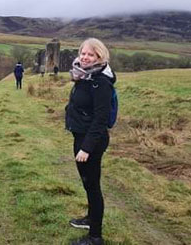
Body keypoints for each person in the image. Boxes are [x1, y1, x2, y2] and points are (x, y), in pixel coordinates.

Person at [65, 38, 116, 245]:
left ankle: (95, 237)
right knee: (88, 184)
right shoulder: (85, 75)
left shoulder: (100, 82)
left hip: (91, 141)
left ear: (99, 57)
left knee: (93, 186)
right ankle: (90, 218)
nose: (85, 57)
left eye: (91, 55)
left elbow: (100, 120)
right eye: (83, 53)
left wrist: (86, 148)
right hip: (80, 135)